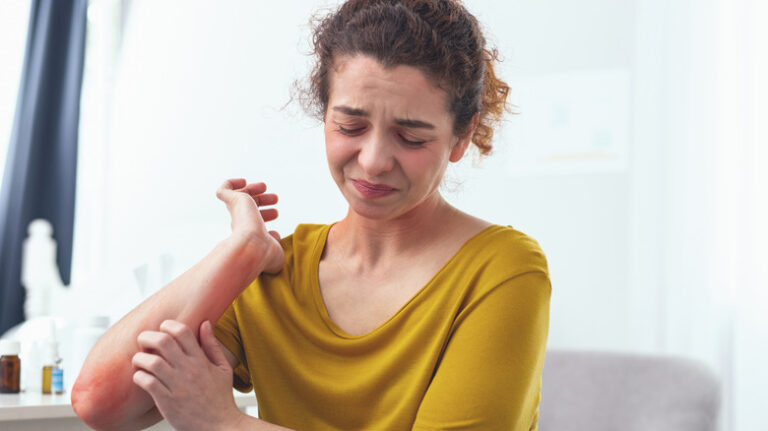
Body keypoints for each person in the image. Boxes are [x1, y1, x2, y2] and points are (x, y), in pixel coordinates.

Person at [71, 0, 551, 429]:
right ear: (324, 115)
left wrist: (225, 424)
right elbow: (101, 404)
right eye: (351, 125)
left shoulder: (502, 270)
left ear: (462, 137)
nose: (373, 160)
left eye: (411, 137)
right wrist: (239, 252)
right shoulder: (274, 269)